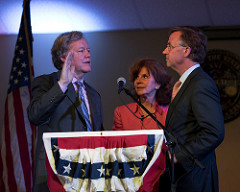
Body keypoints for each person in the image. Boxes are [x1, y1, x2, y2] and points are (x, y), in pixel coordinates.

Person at [27, 31, 104, 192]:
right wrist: (62, 84)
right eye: (81, 50)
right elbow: (35, 115)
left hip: (89, 176)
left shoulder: (94, 95)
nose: (88, 54)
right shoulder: (46, 83)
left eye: (89, 50)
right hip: (56, 175)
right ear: (64, 57)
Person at [162, 26, 225, 192]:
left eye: (169, 46)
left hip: (195, 178)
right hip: (183, 177)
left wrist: (177, 156)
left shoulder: (200, 83)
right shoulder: (185, 84)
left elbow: (214, 132)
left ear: (186, 51)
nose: (164, 51)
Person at [112, 58, 172, 192]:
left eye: (144, 76)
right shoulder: (121, 112)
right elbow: (117, 150)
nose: (138, 81)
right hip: (129, 181)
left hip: (159, 180)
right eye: (137, 77)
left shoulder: (168, 113)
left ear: (158, 83)